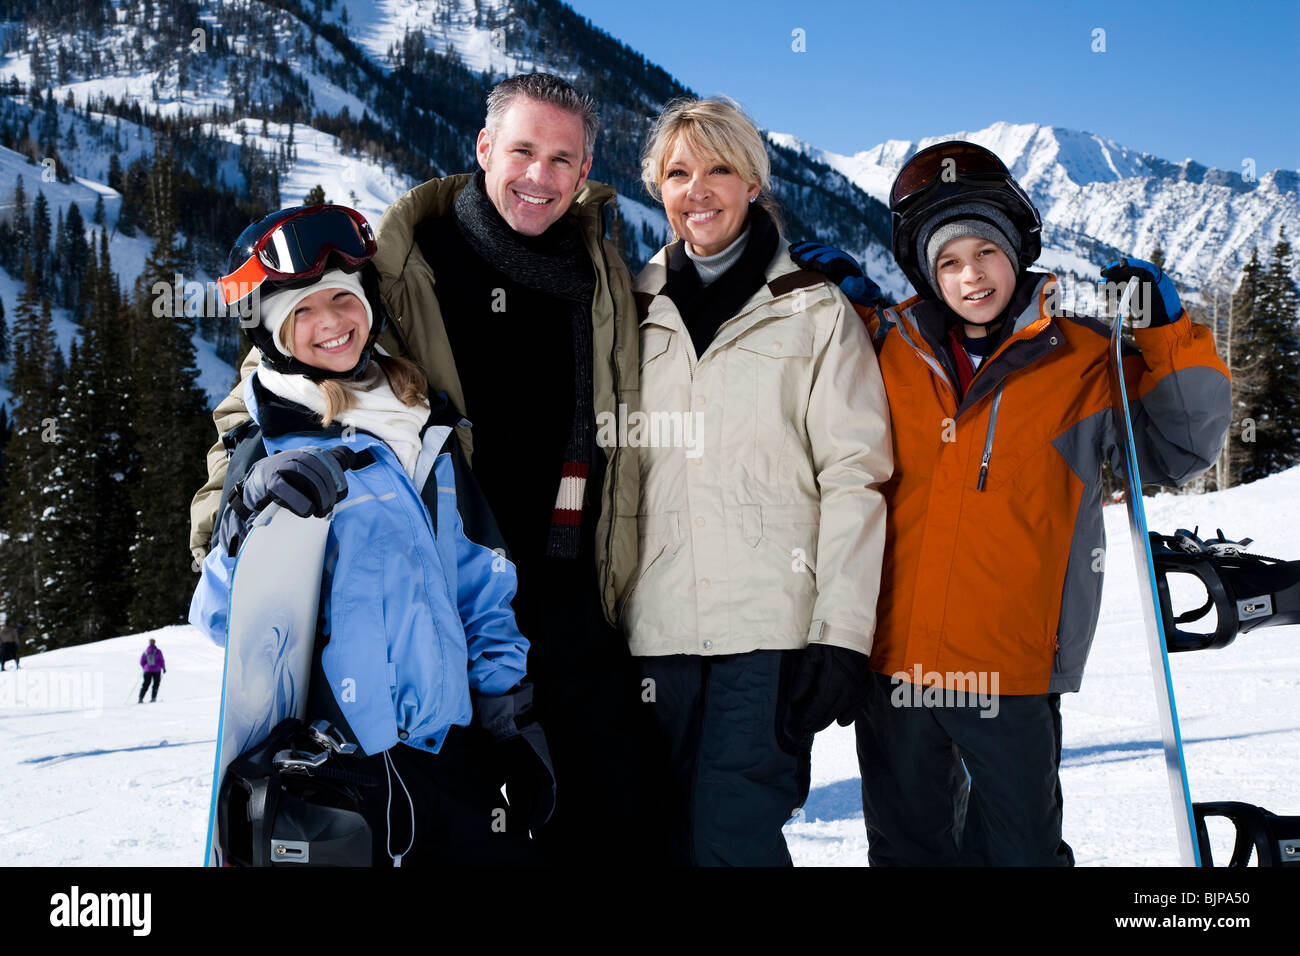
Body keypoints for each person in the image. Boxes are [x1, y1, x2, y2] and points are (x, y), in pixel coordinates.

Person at [188, 74, 671, 866]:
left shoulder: (605, 274)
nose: (539, 177)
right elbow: (281, 373)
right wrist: (241, 513)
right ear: (484, 148)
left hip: (556, 593)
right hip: (438, 617)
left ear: (586, 171)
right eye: (522, 150)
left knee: (617, 819)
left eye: (563, 158)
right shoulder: (407, 259)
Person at [790, 140, 1231, 865]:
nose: (972, 277)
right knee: (905, 851)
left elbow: (1181, 448)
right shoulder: (884, 351)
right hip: (894, 664)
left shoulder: (1082, 360)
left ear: (1017, 251)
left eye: (986, 253)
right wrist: (839, 317)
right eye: (949, 262)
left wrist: (1167, 338)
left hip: (1012, 670)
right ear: (925, 274)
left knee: (1020, 853)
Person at [190, 203, 546, 866]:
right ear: (269, 331)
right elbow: (218, 618)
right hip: (341, 773)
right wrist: (246, 520)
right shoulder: (265, 446)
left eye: (342, 299)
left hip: (451, 757)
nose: (330, 323)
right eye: (301, 311)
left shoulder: (425, 427)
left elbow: (480, 584)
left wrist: (508, 718)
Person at [629, 95, 892, 865]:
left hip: (767, 637)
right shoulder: (628, 309)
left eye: (720, 169)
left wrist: (841, 636)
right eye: (678, 172)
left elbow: (855, 477)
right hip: (652, 636)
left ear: (753, 183)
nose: (698, 189)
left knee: (732, 843)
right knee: (653, 841)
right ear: (658, 188)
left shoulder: (813, 312)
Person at [138, 638, 164, 702]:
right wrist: (163, 667)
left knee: (145, 684)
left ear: (149, 643)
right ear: (154, 643)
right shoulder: (158, 651)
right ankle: (153, 698)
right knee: (156, 684)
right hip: (157, 670)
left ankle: (140, 698)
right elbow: (161, 660)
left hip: (147, 670)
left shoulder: (145, 651)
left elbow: (141, 661)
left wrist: (145, 667)